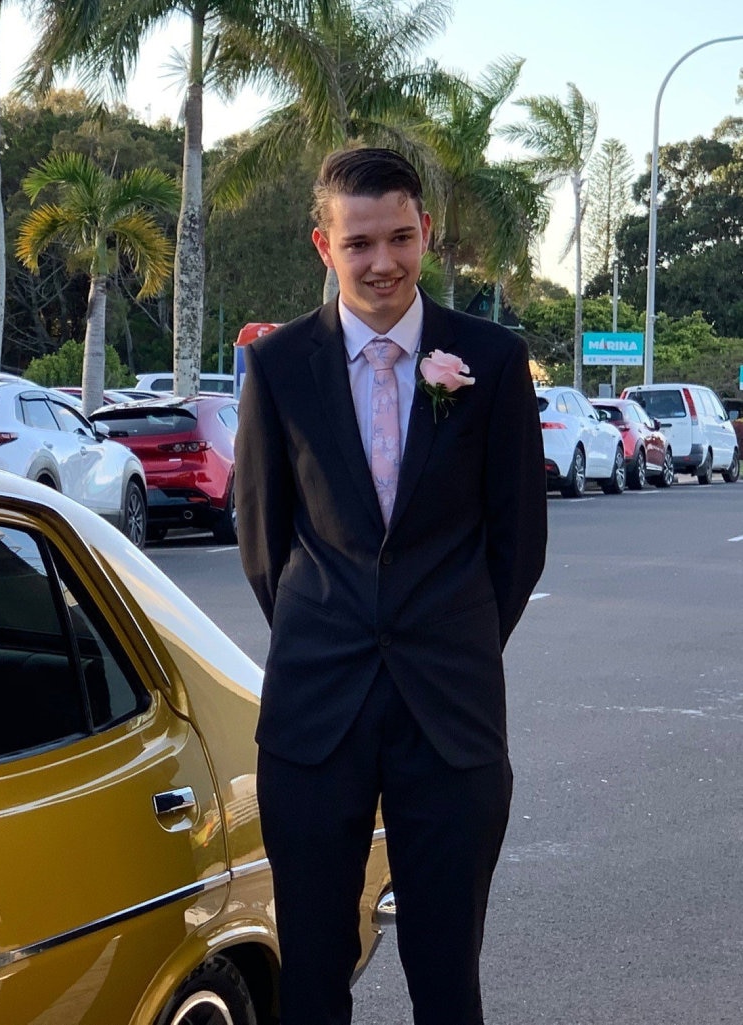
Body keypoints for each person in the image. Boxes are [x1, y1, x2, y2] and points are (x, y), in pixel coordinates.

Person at [234, 147, 547, 1025]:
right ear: (322, 245)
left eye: (401, 237)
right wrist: (334, 627)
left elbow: (516, 543)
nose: (383, 262)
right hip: (314, 712)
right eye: (360, 241)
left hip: (450, 712)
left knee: (447, 971)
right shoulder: (280, 366)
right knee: (312, 971)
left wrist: (451, 635)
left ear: (427, 234)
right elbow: (263, 540)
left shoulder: (488, 358)